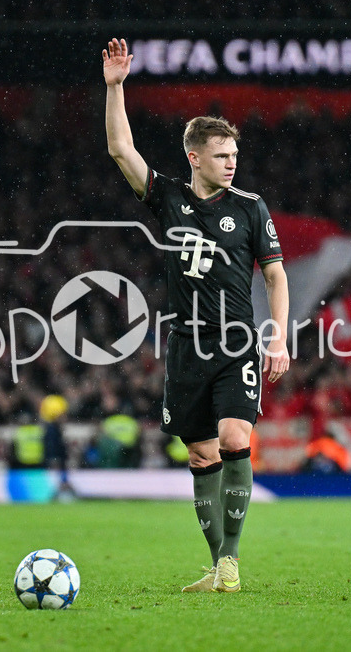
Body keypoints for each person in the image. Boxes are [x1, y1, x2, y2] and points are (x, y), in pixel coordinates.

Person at [103, 38, 290, 594]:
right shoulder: (169, 199)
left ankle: (230, 560)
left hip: (236, 342)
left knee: (235, 438)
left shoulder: (251, 208)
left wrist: (277, 338)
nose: (232, 163)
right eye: (221, 155)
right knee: (201, 453)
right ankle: (218, 567)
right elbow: (120, 149)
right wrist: (115, 87)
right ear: (195, 157)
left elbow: (275, 275)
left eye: (235, 155)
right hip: (185, 345)